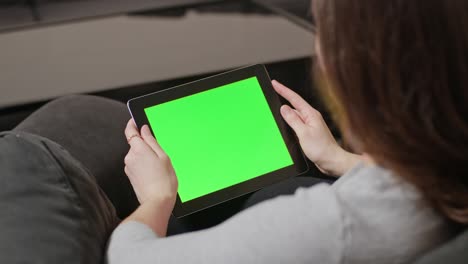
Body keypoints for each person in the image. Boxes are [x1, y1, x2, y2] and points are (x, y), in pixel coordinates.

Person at [104, 0, 468, 263]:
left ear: (357, 74)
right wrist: (339, 158)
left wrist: (156, 198)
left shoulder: (328, 226)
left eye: (324, 33)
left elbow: (128, 257)